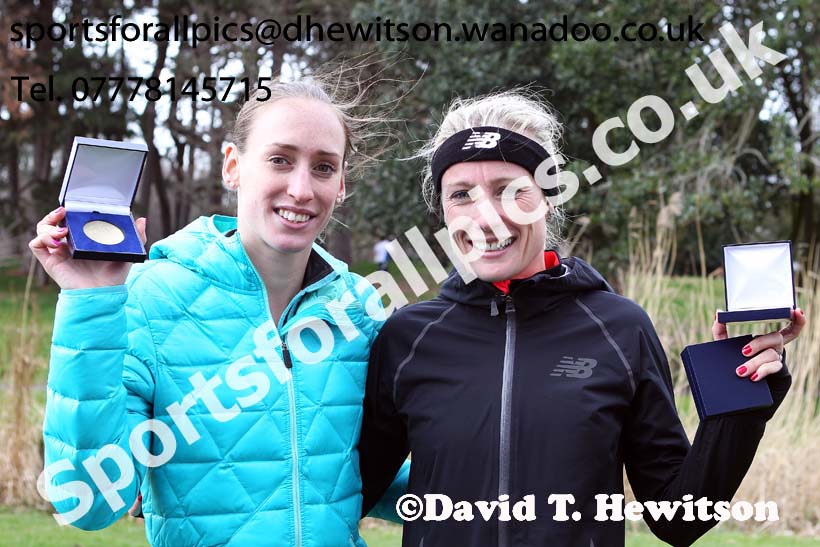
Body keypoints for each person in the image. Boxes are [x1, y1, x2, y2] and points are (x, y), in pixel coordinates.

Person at [357, 90, 807, 547]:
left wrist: (738, 398)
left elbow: (679, 519)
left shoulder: (619, 329)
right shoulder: (407, 339)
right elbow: (343, 495)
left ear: (547, 198)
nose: (486, 216)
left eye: (510, 191)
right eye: (461, 195)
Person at [32, 71, 407, 547]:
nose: (301, 189)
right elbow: (86, 501)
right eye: (279, 159)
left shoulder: (361, 310)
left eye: (324, 167)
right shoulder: (150, 299)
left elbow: (369, 472)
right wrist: (90, 303)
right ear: (233, 165)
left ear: (342, 184)